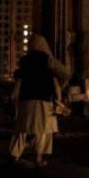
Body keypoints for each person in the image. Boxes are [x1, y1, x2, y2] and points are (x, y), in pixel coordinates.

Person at [9, 34, 65, 167]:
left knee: (21, 129)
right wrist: (59, 98)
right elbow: (57, 80)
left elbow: (20, 81)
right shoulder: (48, 60)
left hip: (26, 99)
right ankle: (38, 158)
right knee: (44, 131)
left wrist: (13, 97)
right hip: (44, 101)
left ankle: (14, 155)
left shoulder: (25, 60)